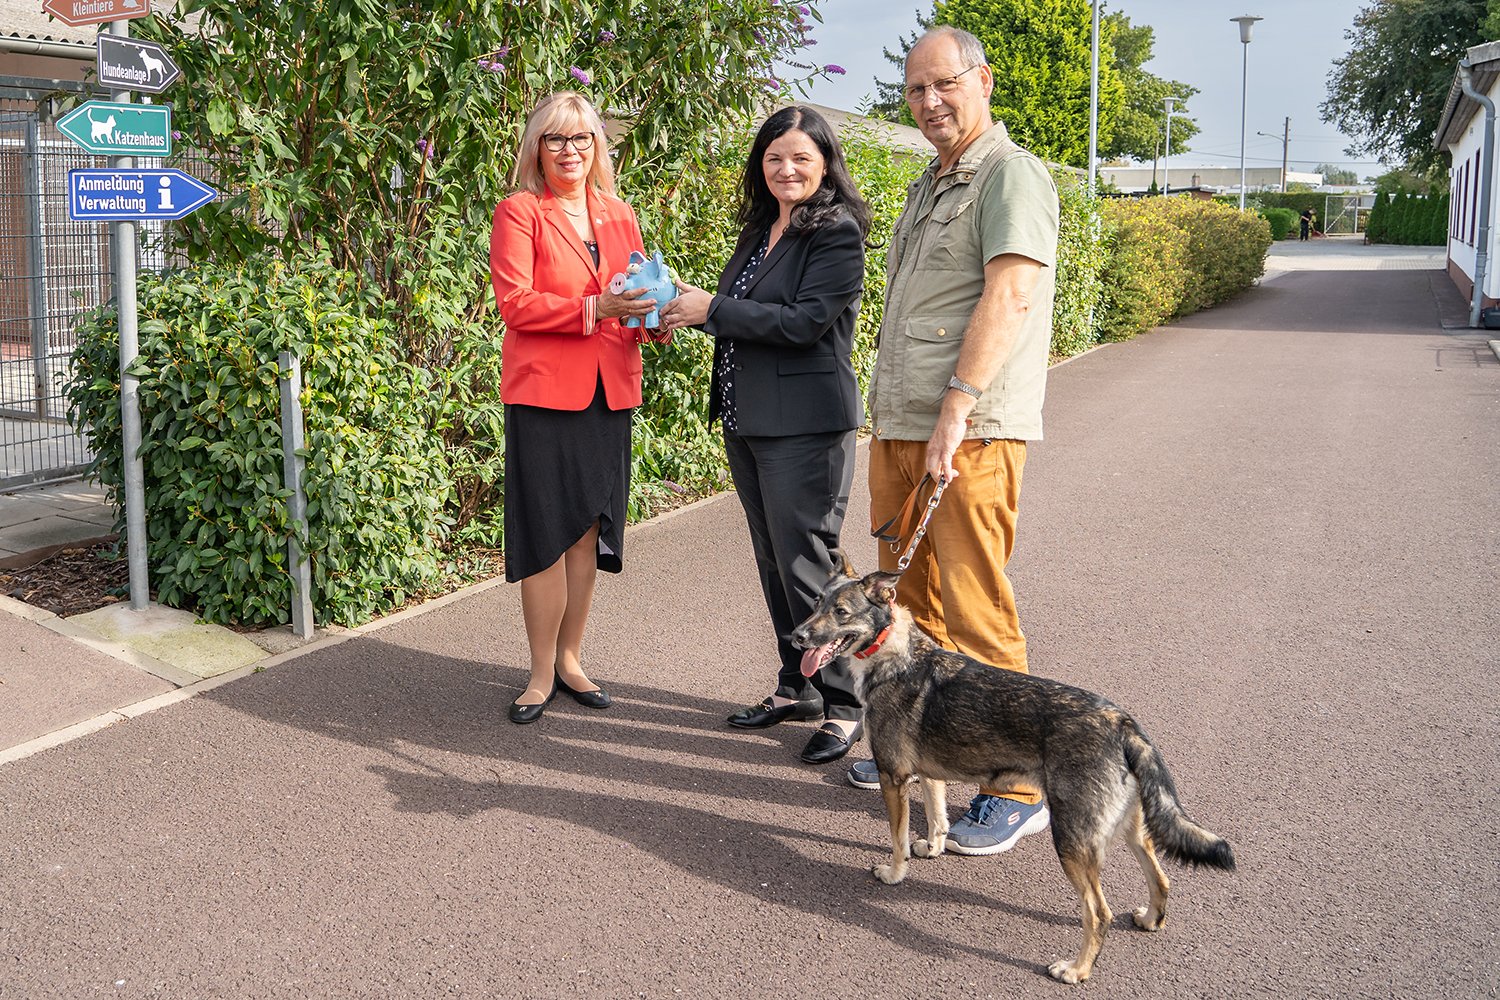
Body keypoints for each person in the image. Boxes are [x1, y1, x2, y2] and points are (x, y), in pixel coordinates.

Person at [844, 26, 1061, 856]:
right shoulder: (928, 183)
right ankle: (917, 749)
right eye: (914, 90)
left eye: (945, 85)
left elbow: (1008, 296)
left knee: (975, 603)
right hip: (902, 423)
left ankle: (1015, 783)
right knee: (910, 602)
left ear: (984, 81)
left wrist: (958, 406)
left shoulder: (1011, 175)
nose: (930, 103)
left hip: (965, 427)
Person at [659, 106, 871, 765]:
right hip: (750, 419)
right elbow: (743, 315)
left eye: (801, 158)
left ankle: (845, 705)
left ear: (825, 163)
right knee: (774, 561)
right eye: (775, 157)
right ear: (761, 163)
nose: (787, 169)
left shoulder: (835, 231)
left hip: (805, 425)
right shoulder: (762, 228)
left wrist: (712, 309)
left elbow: (803, 322)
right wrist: (685, 308)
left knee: (807, 563)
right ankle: (797, 686)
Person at [490, 91, 663, 724]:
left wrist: (651, 320)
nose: (570, 151)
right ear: (537, 147)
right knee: (545, 530)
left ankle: (570, 659)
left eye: (582, 139)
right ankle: (538, 674)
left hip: (607, 391)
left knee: (588, 529)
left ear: (598, 147)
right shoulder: (520, 212)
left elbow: (636, 295)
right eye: (556, 140)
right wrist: (598, 310)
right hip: (543, 393)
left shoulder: (620, 215)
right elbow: (517, 304)